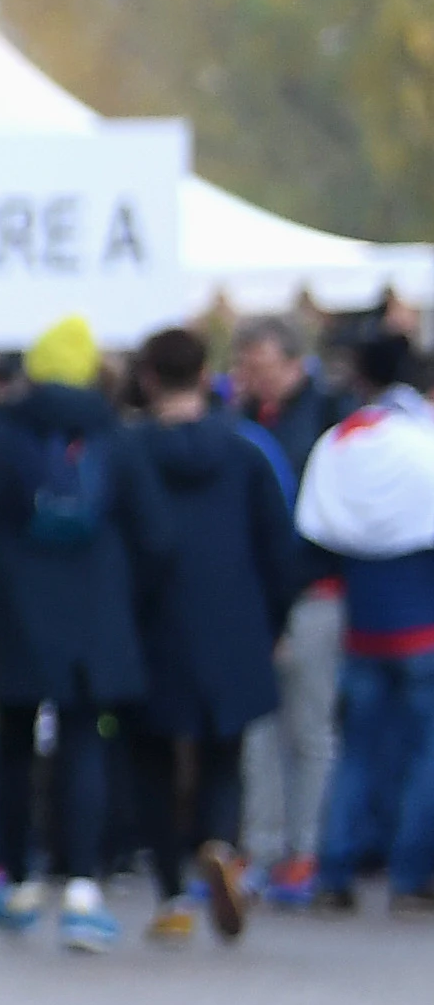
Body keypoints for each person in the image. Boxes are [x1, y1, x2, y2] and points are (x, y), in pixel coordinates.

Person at [0, 317, 156, 951]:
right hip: (94, 611)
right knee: (83, 743)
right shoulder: (115, 434)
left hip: (17, 610)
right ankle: (81, 887)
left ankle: (15, 877)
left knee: (13, 744)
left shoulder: (0, 434)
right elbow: (152, 533)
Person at [124, 323, 305, 943]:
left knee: (150, 757)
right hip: (232, 620)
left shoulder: (128, 453)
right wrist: (274, 620)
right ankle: (221, 845)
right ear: (206, 375)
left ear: (147, 379)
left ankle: (171, 891)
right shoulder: (246, 451)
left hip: (151, 625)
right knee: (224, 752)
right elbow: (280, 548)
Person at [292, 330, 434, 915]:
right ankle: (411, 874)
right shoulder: (420, 441)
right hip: (422, 619)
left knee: (354, 751)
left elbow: (315, 530)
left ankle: (335, 868)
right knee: (426, 754)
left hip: (363, 622)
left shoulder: (341, 442)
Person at [228, 317, 348, 893]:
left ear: (292, 361)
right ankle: (261, 844)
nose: (253, 378)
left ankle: (306, 847)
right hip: (256, 594)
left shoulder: (328, 415)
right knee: (260, 731)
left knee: (309, 727)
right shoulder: (244, 421)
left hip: (312, 591)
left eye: (262, 367)